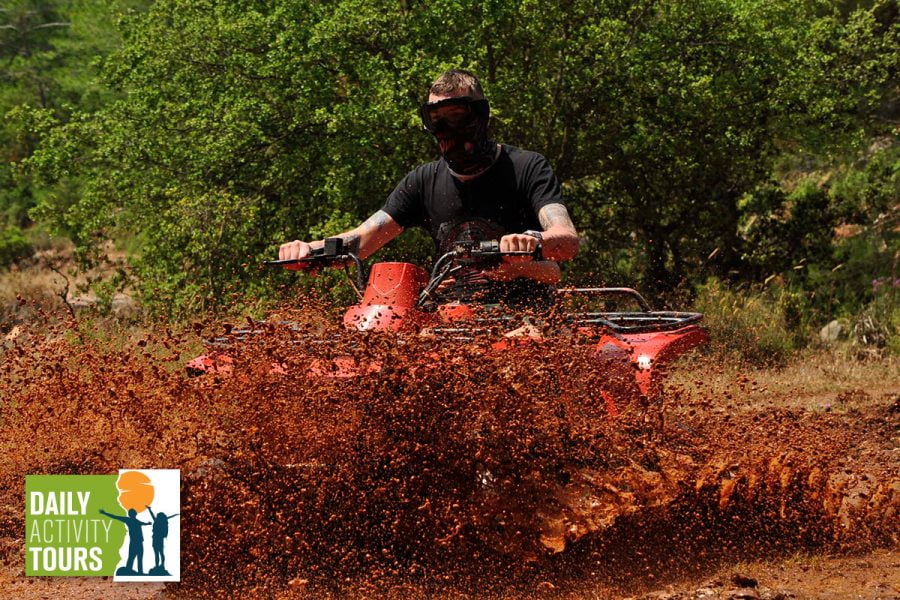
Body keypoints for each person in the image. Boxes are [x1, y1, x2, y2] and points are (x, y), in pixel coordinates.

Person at [279, 69, 579, 304]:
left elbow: (566, 240)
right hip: (448, 320)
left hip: (525, 320)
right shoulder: (421, 181)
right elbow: (361, 241)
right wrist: (309, 252)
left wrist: (531, 242)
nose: (446, 129)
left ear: (480, 116)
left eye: (456, 116)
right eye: (436, 119)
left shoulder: (527, 167)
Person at [100, 507, 150, 574]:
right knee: (132, 557)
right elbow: (115, 517)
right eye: (134, 512)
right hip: (134, 542)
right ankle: (129, 572)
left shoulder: (136, 521)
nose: (134, 513)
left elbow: (143, 523)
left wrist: (147, 523)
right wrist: (105, 513)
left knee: (138, 558)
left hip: (139, 542)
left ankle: (139, 572)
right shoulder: (128, 520)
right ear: (132, 514)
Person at [146, 504, 179, 572]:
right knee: (161, 552)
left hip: (155, 538)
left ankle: (157, 566)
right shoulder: (163, 521)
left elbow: (152, 515)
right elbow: (168, 517)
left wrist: (149, 509)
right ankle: (162, 565)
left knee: (156, 553)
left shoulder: (157, 521)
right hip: (160, 539)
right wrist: (175, 515)